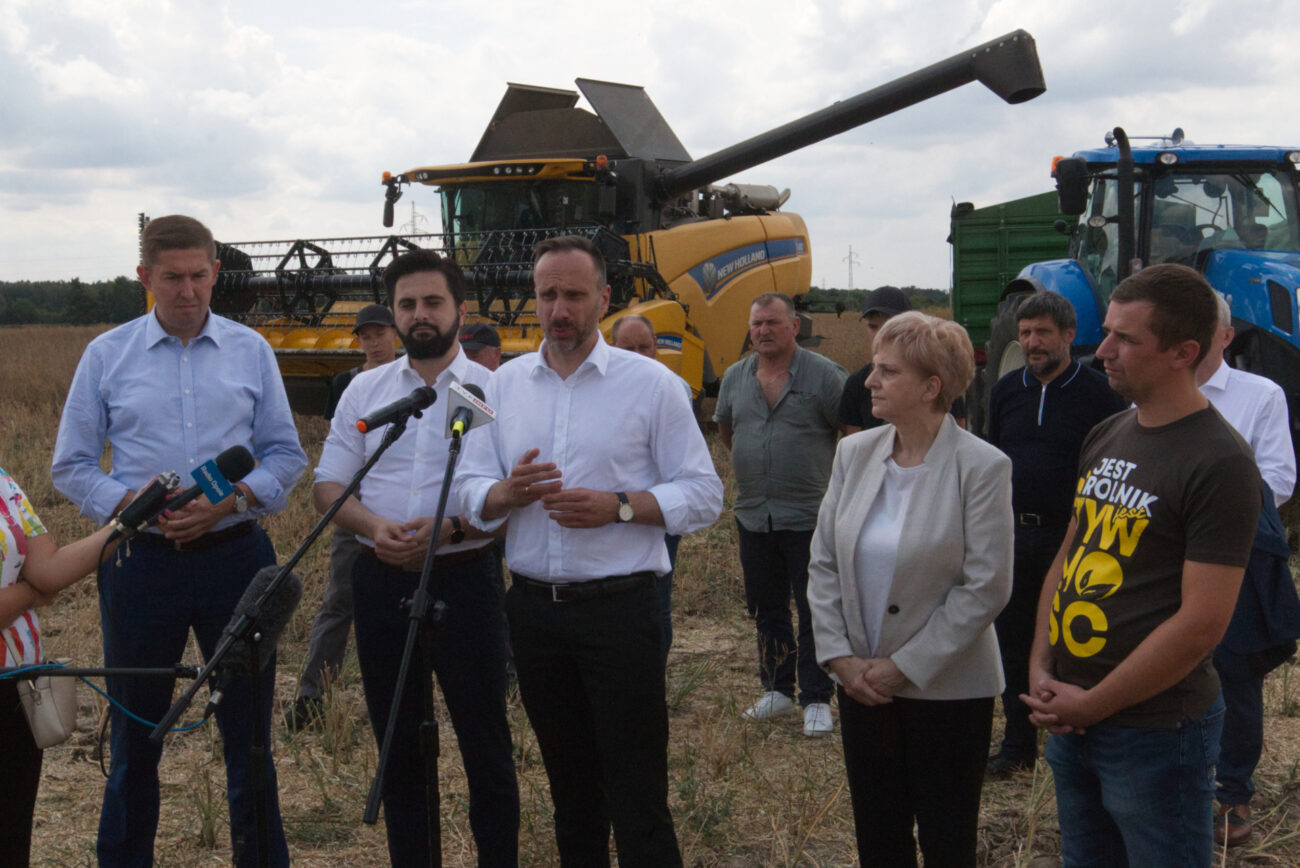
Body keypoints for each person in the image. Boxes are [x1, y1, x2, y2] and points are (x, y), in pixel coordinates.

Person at [455, 235, 722, 866]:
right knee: (570, 792)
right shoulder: (497, 386)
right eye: (547, 294)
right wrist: (504, 493)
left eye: (574, 295)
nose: (559, 309)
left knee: (637, 791)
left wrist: (620, 506)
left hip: (620, 613)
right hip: (534, 615)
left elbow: (704, 493)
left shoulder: (655, 385)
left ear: (604, 299)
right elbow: (464, 485)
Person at [51, 214, 308, 868]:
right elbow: (71, 465)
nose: (188, 291)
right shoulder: (106, 355)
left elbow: (285, 454)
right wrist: (136, 509)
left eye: (199, 276)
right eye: (172, 278)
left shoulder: (251, 351)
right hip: (141, 565)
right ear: (145, 277)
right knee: (136, 737)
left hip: (237, 561)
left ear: (216, 272)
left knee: (250, 738)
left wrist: (234, 498)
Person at [1022, 263, 1262, 867]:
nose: (1102, 350)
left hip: (1155, 732)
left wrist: (1094, 703)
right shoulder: (1108, 433)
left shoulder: (1220, 462)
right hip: (1073, 716)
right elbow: (1071, 555)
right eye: (1107, 331)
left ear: (1183, 353)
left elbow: (1201, 624)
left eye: (1125, 339)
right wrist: (1041, 664)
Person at [314, 250, 519, 866]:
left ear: (460, 309)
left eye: (433, 302)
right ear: (393, 312)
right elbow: (328, 485)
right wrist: (375, 528)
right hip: (380, 580)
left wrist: (450, 530)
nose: (420, 314)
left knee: (486, 744)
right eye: (407, 304)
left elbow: (515, 495)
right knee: (398, 747)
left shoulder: (492, 391)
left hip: (466, 580)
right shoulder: (365, 389)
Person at [808, 311, 1012, 865]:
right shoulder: (854, 454)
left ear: (931, 387)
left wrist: (906, 666)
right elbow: (824, 562)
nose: (869, 381)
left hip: (948, 691)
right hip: (862, 686)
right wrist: (840, 658)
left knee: (947, 840)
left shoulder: (983, 467)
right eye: (874, 367)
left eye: (887, 371)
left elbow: (986, 586)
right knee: (879, 838)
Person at [984, 292, 1128, 776]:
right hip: (1014, 537)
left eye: (1042, 332)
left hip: (1074, 541)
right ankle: (1018, 745)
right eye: (1025, 333)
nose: (1032, 342)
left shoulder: (1100, 395)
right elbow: (992, 461)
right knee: (1012, 640)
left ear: (1069, 334)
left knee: (1075, 641)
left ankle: (1080, 739)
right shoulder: (1006, 391)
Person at [715, 292, 846, 736]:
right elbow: (727, 429)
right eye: (756, 324)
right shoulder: (735, 377)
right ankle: (777, 689)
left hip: (810, 515)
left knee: (815, 607)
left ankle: (816, 697)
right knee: (767, 606)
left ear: (795, 326)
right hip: (754, 513)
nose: (764, 331)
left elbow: (851, 433)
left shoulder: (825, 376)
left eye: (773, 322)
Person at [1196, 292, 1299, 846]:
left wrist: (1210, 516)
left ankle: (1231, 792)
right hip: (1166, 557)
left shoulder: (1260, 395)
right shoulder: (1149, 396)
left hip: (1233, 558)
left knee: (1232, 673)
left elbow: (1279, 478)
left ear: (1226, 336)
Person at [0, 469, 138, 866]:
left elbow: (48, 570)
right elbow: (39, 585)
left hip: (17, 687)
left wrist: (129, 521)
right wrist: (29, 594)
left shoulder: (5, 483)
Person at [285, 304, 398, 731]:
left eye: (380, 333)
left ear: (394, 334)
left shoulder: (414, 379)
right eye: (365, 336)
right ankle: (311, 695)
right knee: (340, 598)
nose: (373, 342)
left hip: (406, 507)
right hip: (356, 506)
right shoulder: (346, 383)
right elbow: (340, 447)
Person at [611, 313, 692, 658]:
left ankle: (654, 671)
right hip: (613, 512)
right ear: (612, 348)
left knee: (656, 601)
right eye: (628, 348)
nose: (638, 354)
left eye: (644, 347)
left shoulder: (675, 389)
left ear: (656, 346)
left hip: (658, 512)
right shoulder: (603, 392)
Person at [839, 286, 911, 435]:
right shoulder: (857, 383)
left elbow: (955, 436)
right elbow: (853, 442)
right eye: (872, 327)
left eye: (889, 326)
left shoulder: (933, 377)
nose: (880, 335)